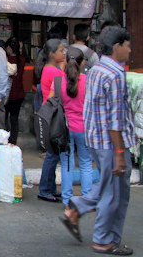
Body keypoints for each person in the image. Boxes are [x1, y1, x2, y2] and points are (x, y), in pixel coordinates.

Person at [61, 27, 136, 255]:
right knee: (114, 194)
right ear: (117, 47)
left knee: (108, 187)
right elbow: (115, 120)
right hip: (110, 143)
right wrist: (120, 152)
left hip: (95, 138)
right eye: (127, 45)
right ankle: (103, 239)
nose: (130, 50)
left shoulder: (96, 70)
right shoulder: (114, 74)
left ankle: (77, 209)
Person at [57, 47, 93, 208]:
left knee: (67, 164)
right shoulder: (88, 81)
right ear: (83, 63)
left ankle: (67, 200)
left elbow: (53, 104)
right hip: (85, 128)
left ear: (65, 61)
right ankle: (86, 199)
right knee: (86, 163)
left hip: (65, 128)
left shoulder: (59, 81)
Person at [36, 39, 67, 203]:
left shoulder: (51, 69)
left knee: (53, 154)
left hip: (52, 114)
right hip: (54, 115)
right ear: (52, 54)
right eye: (61, 50)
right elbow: (58, 93)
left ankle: (50, 188)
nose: (64, 53)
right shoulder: (52, 71)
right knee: (52, 155)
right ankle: (45, 189)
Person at [5, 37, 25, 145]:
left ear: (8, 48)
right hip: (18, 94)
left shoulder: (5, 60)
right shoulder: (21, 59)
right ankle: (13, 141)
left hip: (7, 93)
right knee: (14, 119)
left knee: (4, 118)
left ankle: (5, 139)